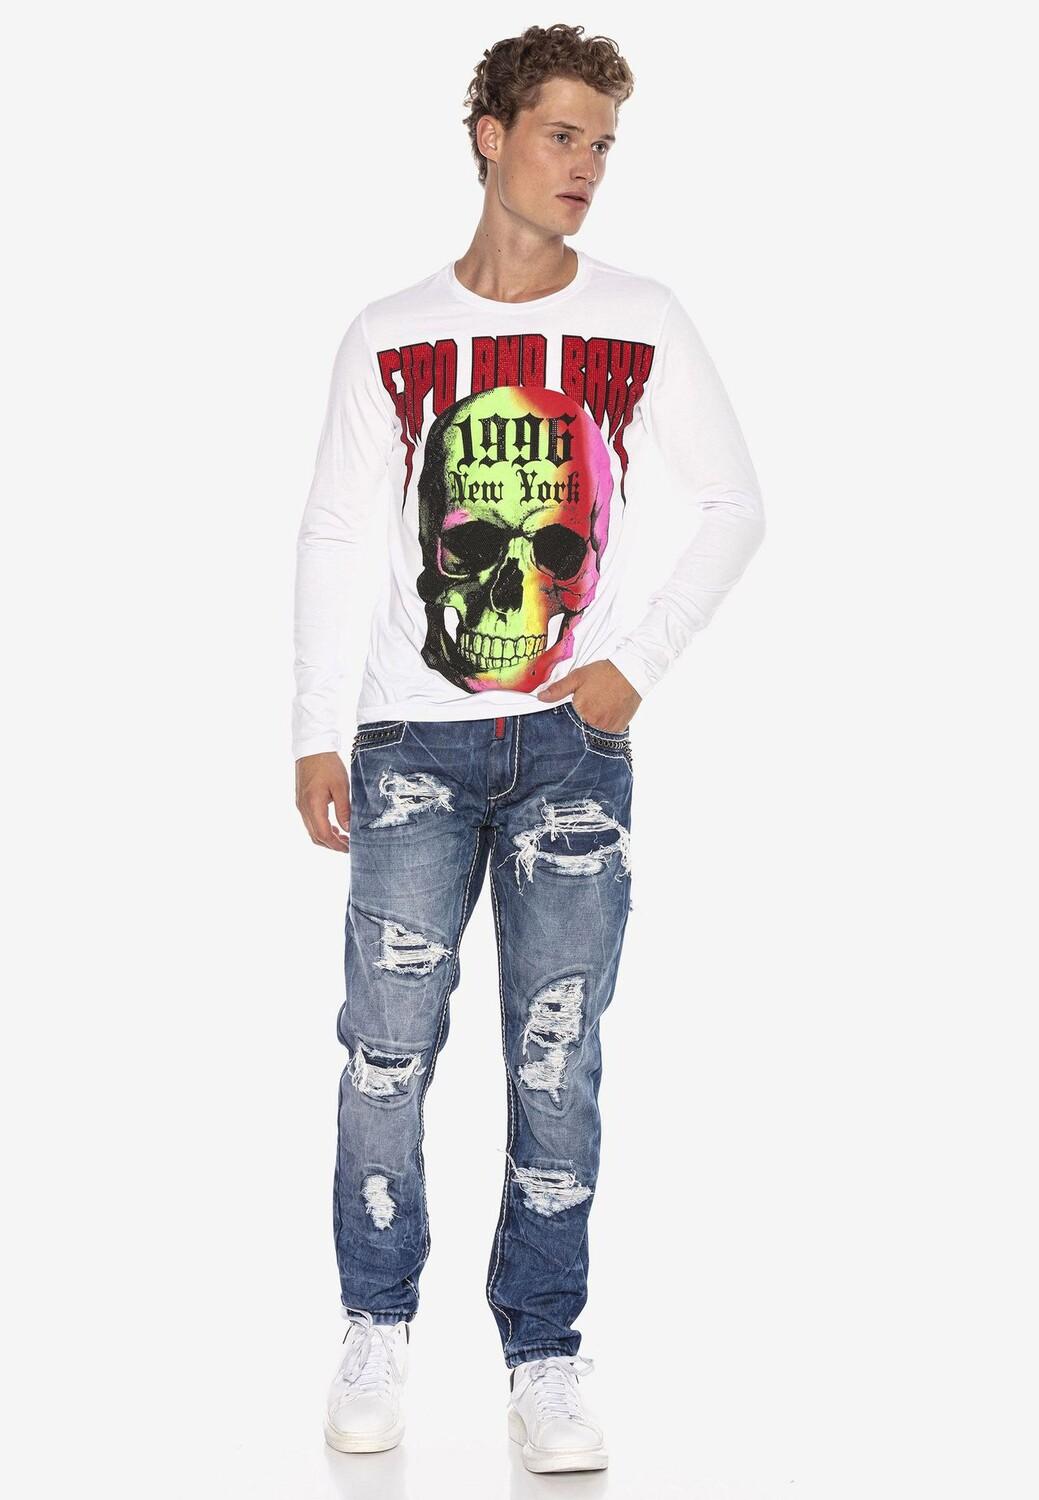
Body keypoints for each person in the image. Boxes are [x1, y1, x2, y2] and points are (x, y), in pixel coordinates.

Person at [292, 22, 765, 1474]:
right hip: (409, 749)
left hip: (571, 750)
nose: (587, 168)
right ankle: (376, 1324)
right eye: (563, 135)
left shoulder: (641, 318)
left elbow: (735, 505)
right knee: (385, 1054)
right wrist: (316, 730)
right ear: (490, 135)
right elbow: (336, 534)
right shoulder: (390, 334)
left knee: (559, 1063)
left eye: (604, 144)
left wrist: (632, 668)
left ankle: (546, 1355)